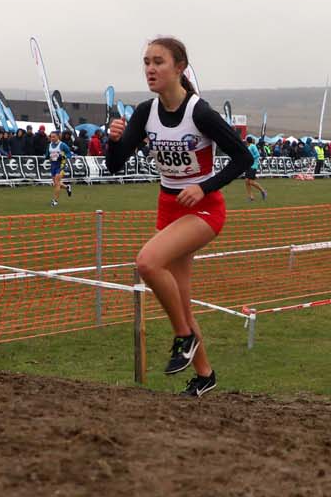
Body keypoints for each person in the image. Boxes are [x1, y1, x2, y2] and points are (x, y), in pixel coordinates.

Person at [105, 37, 253, 398]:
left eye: (159, 62)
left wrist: (204, 186)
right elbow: (113, 165)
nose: (150, 69)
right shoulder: (145, 113)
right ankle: (205, 375)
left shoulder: (199, 113)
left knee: (147, 262)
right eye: (146, 62)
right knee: (182, 302)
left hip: (203, 208)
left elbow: (244, 158)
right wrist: (114, 139)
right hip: (168, 206)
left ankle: (184, 338)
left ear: (180, 68)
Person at [47, 130, 73, 206]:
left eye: (54, 137)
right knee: (55, 183)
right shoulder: (49, 145)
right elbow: (48, 155)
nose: (52, 138)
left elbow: (69, 154)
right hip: (53, 165)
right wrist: (48, 157)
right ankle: (67, 187)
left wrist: (63, 156)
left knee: (57, 182)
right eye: (51, 137)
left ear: (58, 136)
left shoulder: (62, 145)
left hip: (61, 165)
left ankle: (55, 201)